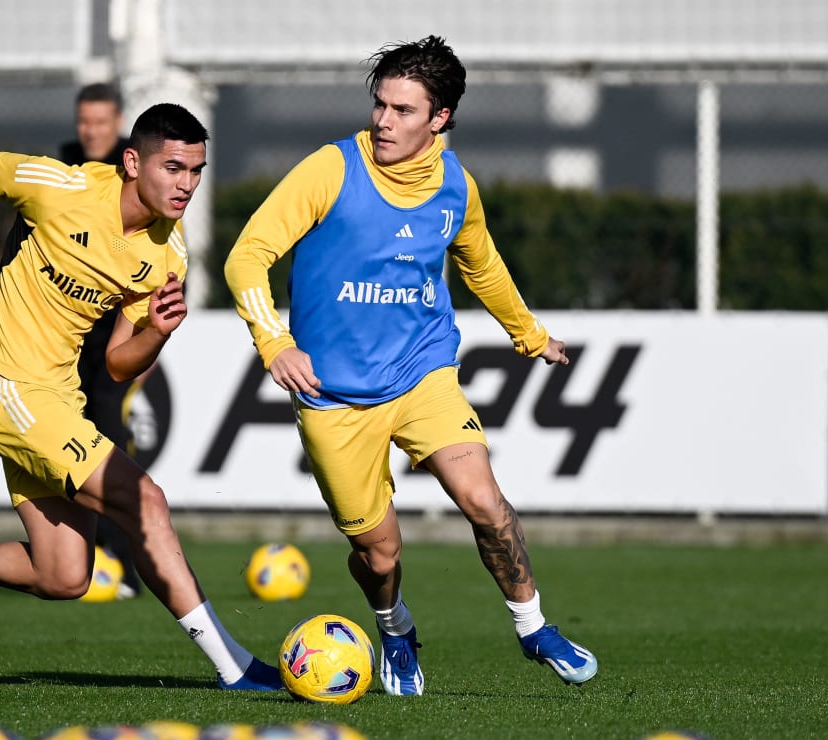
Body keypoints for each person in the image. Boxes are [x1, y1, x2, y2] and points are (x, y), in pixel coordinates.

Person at [224, 36, 598, 696]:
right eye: (380, 105)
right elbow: (246, 256)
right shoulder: (330, 170)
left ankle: (534, 626)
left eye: (402, 110)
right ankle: (394, 627)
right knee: (380, 554)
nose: (384, 121)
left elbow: (480, 262)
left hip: (422, 372)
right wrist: (274, 341)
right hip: (332, 395)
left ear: (440, 118)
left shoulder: (456, 187)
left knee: (485, 502)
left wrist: (529, 334)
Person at [0, 102, 281, 692]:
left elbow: (119, 361)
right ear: (131, 162)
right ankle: (234, 666)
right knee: (145, 501)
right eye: (173, 168)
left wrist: (156, 333)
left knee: (65, 574)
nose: (187, 185)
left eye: (196, 171)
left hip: (58, 401)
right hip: (2, 384)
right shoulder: (61, 186)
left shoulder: (167, 253)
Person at [0, 82, 145, 601]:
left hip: (107, 345)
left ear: (118, 123)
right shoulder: (60, 170)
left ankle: (122, 567)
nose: (92, 131)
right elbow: (21, 238)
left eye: (102, 122)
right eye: (85, 122)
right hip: (51, 343)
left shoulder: (139, 171)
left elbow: (160, 258)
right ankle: (77, 556)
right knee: (60, 453)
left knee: (109, 447)